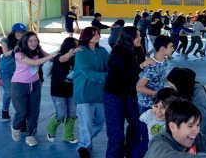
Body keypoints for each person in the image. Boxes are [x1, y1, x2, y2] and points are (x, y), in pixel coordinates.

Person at [104, 26, 155, 158]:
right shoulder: (118, 52)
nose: (140, 38)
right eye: (137, 36)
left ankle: (131, 153)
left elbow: (140, 72)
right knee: (116, 134)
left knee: (136, 126)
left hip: (130, 94)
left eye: (139, 35)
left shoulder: (137, 50)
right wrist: (141, 66)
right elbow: (124, 75)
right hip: (114, 95)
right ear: (129, 38)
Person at [11, 32, 57, 147]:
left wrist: (64, 52)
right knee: (22, 111)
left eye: (35, 40)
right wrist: (51, 56)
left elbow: (50, 58)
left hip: (35, 84)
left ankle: (30, 135)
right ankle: (15, 127)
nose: (34, 43)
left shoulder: (38, 50)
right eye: (31, 40)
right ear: (25, 42)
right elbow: (34, 62)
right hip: (19, 85)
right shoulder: (19, 53)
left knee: (34, 112)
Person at [73, 26, 109, 157]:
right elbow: (88, 73)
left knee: (100, 122)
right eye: (94, 34)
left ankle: (86, 139)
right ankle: (84, 146)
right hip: (84, 93)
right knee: (86, 123)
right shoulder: (80, 53)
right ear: (86, 36)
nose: (98, 35)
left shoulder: (103, 51)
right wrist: (107, 76)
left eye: (98, 33)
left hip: (100, 93)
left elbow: (110, 66)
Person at [135, 35, 173, 157]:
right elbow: (139, 87)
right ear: (163, 48)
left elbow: (162, 76)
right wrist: (157, 94)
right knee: (148, 140)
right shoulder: (152, 65)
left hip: (157, 105)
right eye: (171, 47)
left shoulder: (163, 61)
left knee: (156, 139)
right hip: (148, 107)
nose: (173, 49)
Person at [166, 67, 206, 137]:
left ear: (180, 85)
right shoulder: (183, 90)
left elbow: (198, 115)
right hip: (202, 129)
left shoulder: (199, 93)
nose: (171, 90)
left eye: (172, 87)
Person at [46, 37, 80, 144]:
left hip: (71, 91)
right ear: (69, 47)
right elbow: (64, 58)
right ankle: (51, 130)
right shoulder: (58, 56)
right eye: (75, 46)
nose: (77, 48)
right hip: (58, 91)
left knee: (72, 113)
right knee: (61, 114)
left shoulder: (77, 58)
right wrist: (73, 52)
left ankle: (68, 135)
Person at [137, 88, 180, 157]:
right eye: (155, 106)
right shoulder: (149, 115)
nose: (158, 111)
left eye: (163, 107)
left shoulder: (176, 122)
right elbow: (141, 120)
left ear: (174, 109)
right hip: (150, 150)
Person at [0, 23, 27, 121]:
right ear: (13, 31)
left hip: (18, 69)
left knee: (18, 91)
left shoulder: (24, 41)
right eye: (18, 32)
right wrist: (15, 49)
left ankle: (20, 111)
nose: (20, 34)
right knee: (8, 92)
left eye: (23, 32)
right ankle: (5, 111)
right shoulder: (5, 40)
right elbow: (6, 53)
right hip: (5, 68)